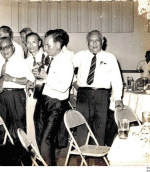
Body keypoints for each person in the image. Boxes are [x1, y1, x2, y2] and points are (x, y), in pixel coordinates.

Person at [72, 30, 123, 146]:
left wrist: (118, 98)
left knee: (100, 128)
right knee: (82, 126)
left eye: (97, 40)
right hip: (83, 95)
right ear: (87, 42)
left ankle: (97, 157)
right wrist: (74, 82)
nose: (94, 43)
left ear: (102, 41)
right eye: (91, 40)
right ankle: (82, 157)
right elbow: (66, 69)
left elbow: (116, 79)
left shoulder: (110, 57)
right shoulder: (80, 55)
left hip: (102, 95)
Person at [33, 29, 74, 165]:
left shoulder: (66, 62)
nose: (45, 48)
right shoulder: (49, 59)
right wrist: (39, 76)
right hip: (43, 101)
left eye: (48, 45)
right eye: (45, 45)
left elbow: (63, 87)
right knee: (39, 137)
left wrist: (46, 76)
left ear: (58, 45)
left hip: (55, 104)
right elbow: (46, 81)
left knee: (46, 139)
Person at [25, 32, 45, 150]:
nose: (31, 45)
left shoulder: (46, 57)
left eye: (33, 42)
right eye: (28, 42)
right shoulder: (26, 61)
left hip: (45, 95)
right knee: (30, 121)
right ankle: (33, 149)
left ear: (39, 43)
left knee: (42, 124)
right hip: (31, 95)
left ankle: (42, 150)